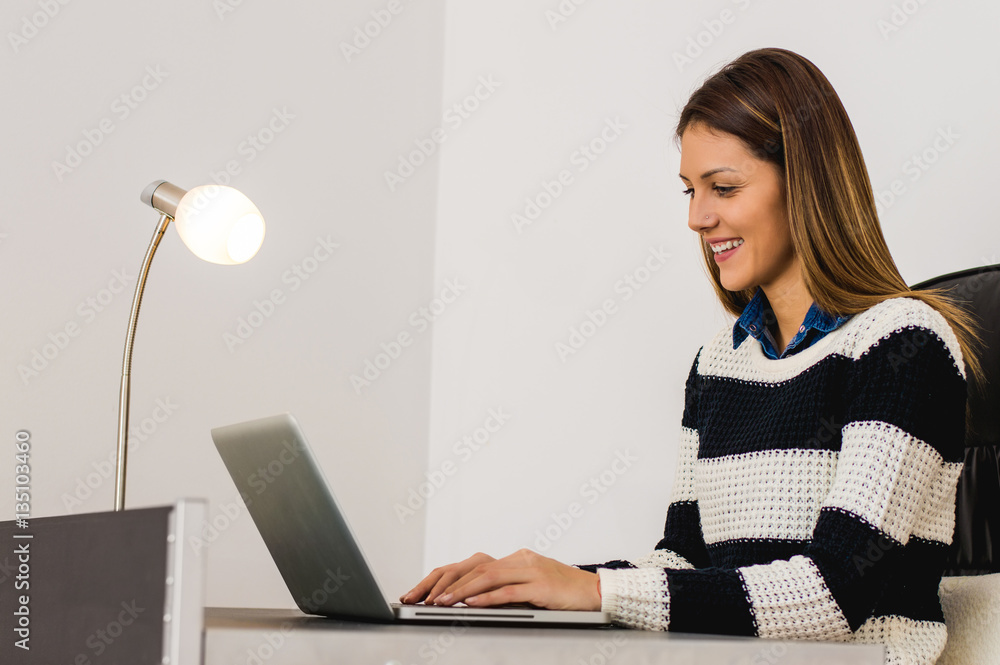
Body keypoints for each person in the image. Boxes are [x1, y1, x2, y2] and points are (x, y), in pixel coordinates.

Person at [400, 47, 980, 665]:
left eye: (722, 187)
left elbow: (836, 594)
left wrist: (598, 590)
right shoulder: (718, 363)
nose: (697, 217)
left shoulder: (902, 345)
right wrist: (535, 584)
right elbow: (684, 562)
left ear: (805, 184)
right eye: (690, 189)